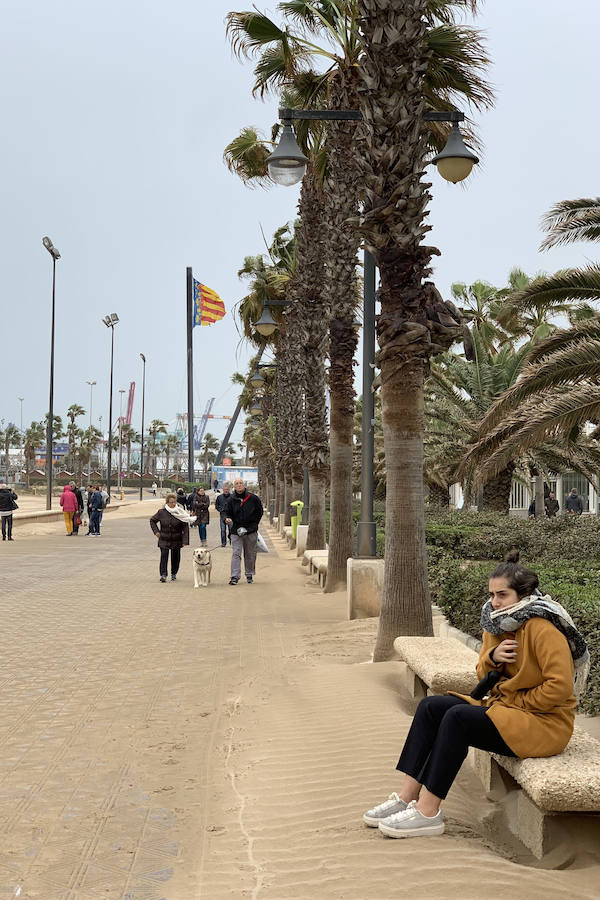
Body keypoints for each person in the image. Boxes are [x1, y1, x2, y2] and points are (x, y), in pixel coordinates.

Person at [363, 549, 588, 839]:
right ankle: (407, 798)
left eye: (502, 595)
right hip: (508, 712)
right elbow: (482, 674)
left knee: (458, 718)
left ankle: (428, 812)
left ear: (524, 595)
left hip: (544, 725)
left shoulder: (543, 629)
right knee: (432, 707)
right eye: (492, 594)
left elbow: (560, 688)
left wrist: (514, 699)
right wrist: (493, 656)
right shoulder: (496, 625)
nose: (494, 602)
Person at [223, 478, 263, 585]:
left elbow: (259, 512)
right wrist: (227, 518)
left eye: (241, 483)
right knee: (236, 553)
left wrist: (253, 526)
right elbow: (226, 512)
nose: (239, 485)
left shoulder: (253, 498)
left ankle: (249, 574)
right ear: (234, 487)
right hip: (236, 531)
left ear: (244, 485)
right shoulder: (231, 499)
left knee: (250, 553)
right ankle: (234, 576)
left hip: (250, 531)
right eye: (237, 484)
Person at [149, 492, 196, 582]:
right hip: (164, 538)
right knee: (164, 556)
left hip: (176, 538)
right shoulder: (161, 512)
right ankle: (163, 575)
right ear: (167, 503)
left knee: (176, 557)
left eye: (174, 502)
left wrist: (185, 540)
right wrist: (156, 532)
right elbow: (152, 521)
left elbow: (185, 526)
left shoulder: (180, 512)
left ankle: (173, 573)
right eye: (171, 502)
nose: (173, 504)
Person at [215, 482, 232, 547]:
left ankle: (231, 542)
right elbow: (216, 506)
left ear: (229, 490)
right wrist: (221, 509)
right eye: (225, 489)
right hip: (222, 515)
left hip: (230, 516)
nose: (226, 491)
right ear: (223, 490)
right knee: (223, 530)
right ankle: (223, 543)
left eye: (227, 489)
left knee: (231, 529)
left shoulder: (232, 496)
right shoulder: (219, 497)